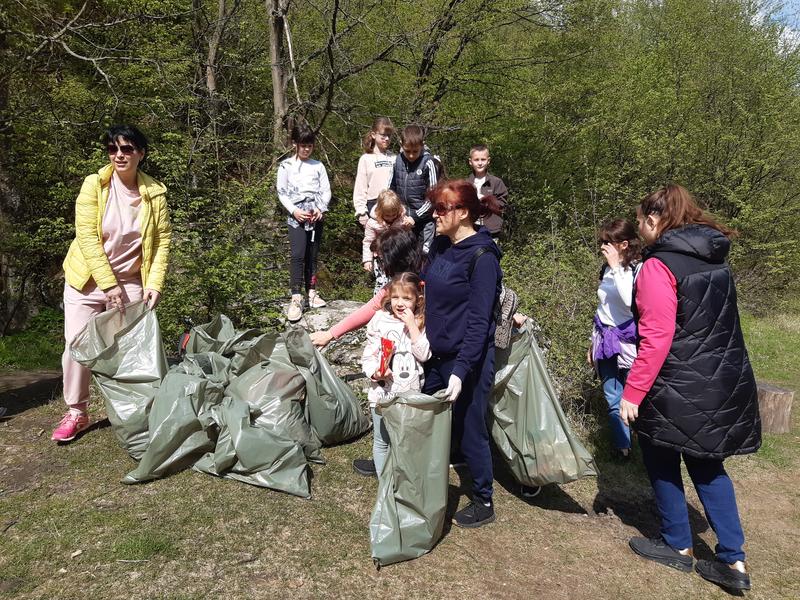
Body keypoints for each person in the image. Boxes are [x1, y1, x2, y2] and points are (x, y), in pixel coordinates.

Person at [619, 184, 761, 591]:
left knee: (660, 454)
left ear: (653, 221)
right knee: (708, 464)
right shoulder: (714, 259)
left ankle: (677, 545)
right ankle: (733, 561)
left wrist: (633, 392)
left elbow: (658, 336)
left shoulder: (658, 266)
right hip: (719, 379)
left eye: (642, 222)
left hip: (677, 380)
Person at [55, 124, 171, 442]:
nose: (119, 155)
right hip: (87, 280)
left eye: (127, 149)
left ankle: (135, 412)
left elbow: (161, 243)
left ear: (140, 154)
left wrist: (155, 284)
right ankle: (77, 412)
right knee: (76, 347)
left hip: (131, 281)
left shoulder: (155, 193)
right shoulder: (95, 185)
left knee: (134, 350)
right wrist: (108, 286)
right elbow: (87, 238)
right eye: (113, 149)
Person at [422, 179, 503, 528]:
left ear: (464, 213)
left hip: (467, 358)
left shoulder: (483, 257)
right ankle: (420, 476)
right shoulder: (440, 245)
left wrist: (461, 369)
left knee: (472, 426)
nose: (435, 215)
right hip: (436, 353)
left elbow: (479, 320)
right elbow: (431, 294)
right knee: (426, 417)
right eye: (435, 208)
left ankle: (483, 499)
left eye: (441, 209)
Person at [357, 272, 431, 476]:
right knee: (382, 441)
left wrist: (411, 325)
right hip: (382, 395)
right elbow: (369, 356)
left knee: (405, 442)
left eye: (407, 298)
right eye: (396, 297)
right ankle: (385, 488)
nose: (400, 303)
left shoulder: (420, 322)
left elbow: (424, 355)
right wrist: (375, 373)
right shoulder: (380, 319)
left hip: (410, 396)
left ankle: (404, 483)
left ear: (418, 300)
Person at [309, 227, 423, 350]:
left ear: (395, 257)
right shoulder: (399, 283)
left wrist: (330, 334)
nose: (380, 264)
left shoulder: (426, 279)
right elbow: (369, 309)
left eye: (381, 259)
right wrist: (330, 334)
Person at [589, 219, 641, 460]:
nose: (603, 246)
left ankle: (650, 445)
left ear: (624, 244)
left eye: (608, 242)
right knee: (612, 395)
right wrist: (593, 344)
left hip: (630, 342)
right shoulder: (605, 269)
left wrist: (617, 267)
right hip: (606, 339)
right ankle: (623, 447)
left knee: (636, 396)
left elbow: (630, 302)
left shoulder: (637, 269)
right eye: (602, 241)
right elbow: (603, 309)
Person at [277, 123, 331, 322]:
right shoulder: (285, 166)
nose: (306, 149)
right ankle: (296, 297)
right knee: (297, 255)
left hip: (315, 216)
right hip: (296, 217)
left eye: (310, 145)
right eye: (303, 145)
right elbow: (281, 193)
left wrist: (320, 208)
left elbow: (326, 190)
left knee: (312, 255)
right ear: (295, 145)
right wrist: (294, 211)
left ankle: (312, 292)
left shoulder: (318, 166)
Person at [388, 125, 439, 252]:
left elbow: (433, 198)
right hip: (402, 219)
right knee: (404, 256)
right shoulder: (397, 161)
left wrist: (415, 217)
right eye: (407, 151)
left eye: (415, 151)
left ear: (422, 145)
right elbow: (391, 189)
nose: (411, 155)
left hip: (424, 221)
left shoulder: (429, 163)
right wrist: (397, 212)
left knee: (423, 258)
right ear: (401, 144)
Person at [362, 190, 414, 293]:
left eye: (393, 215)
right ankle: (379, 304)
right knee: (382, 283)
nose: (390, 218)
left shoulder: (402, 219)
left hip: (398, 256)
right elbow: (368, 241)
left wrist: (410, 226)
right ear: (380, 212)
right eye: (387, 215)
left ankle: (396, 301)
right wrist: (367, 260)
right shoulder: (372, 223)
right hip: (381, 258)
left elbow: (407, 237)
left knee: (399, 281)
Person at [353, 117, 396, 226]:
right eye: (383, 135)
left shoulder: (394, 158)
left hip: (393, 206)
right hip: (373, 205)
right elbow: (360, 188)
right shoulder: (366, 159)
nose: (386, 139)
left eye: (389, 136)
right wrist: (361, 212)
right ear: (373, 135)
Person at [466, 144, 508, 242]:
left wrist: (486, 200)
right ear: (470, 162)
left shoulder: (496, 182)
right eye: (476, 160)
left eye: (483, 159)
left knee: (489, 255)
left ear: (488, 161)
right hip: (471, 229)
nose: (480, 163)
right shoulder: (466, 183)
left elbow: (502, 205)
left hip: (491, 230)